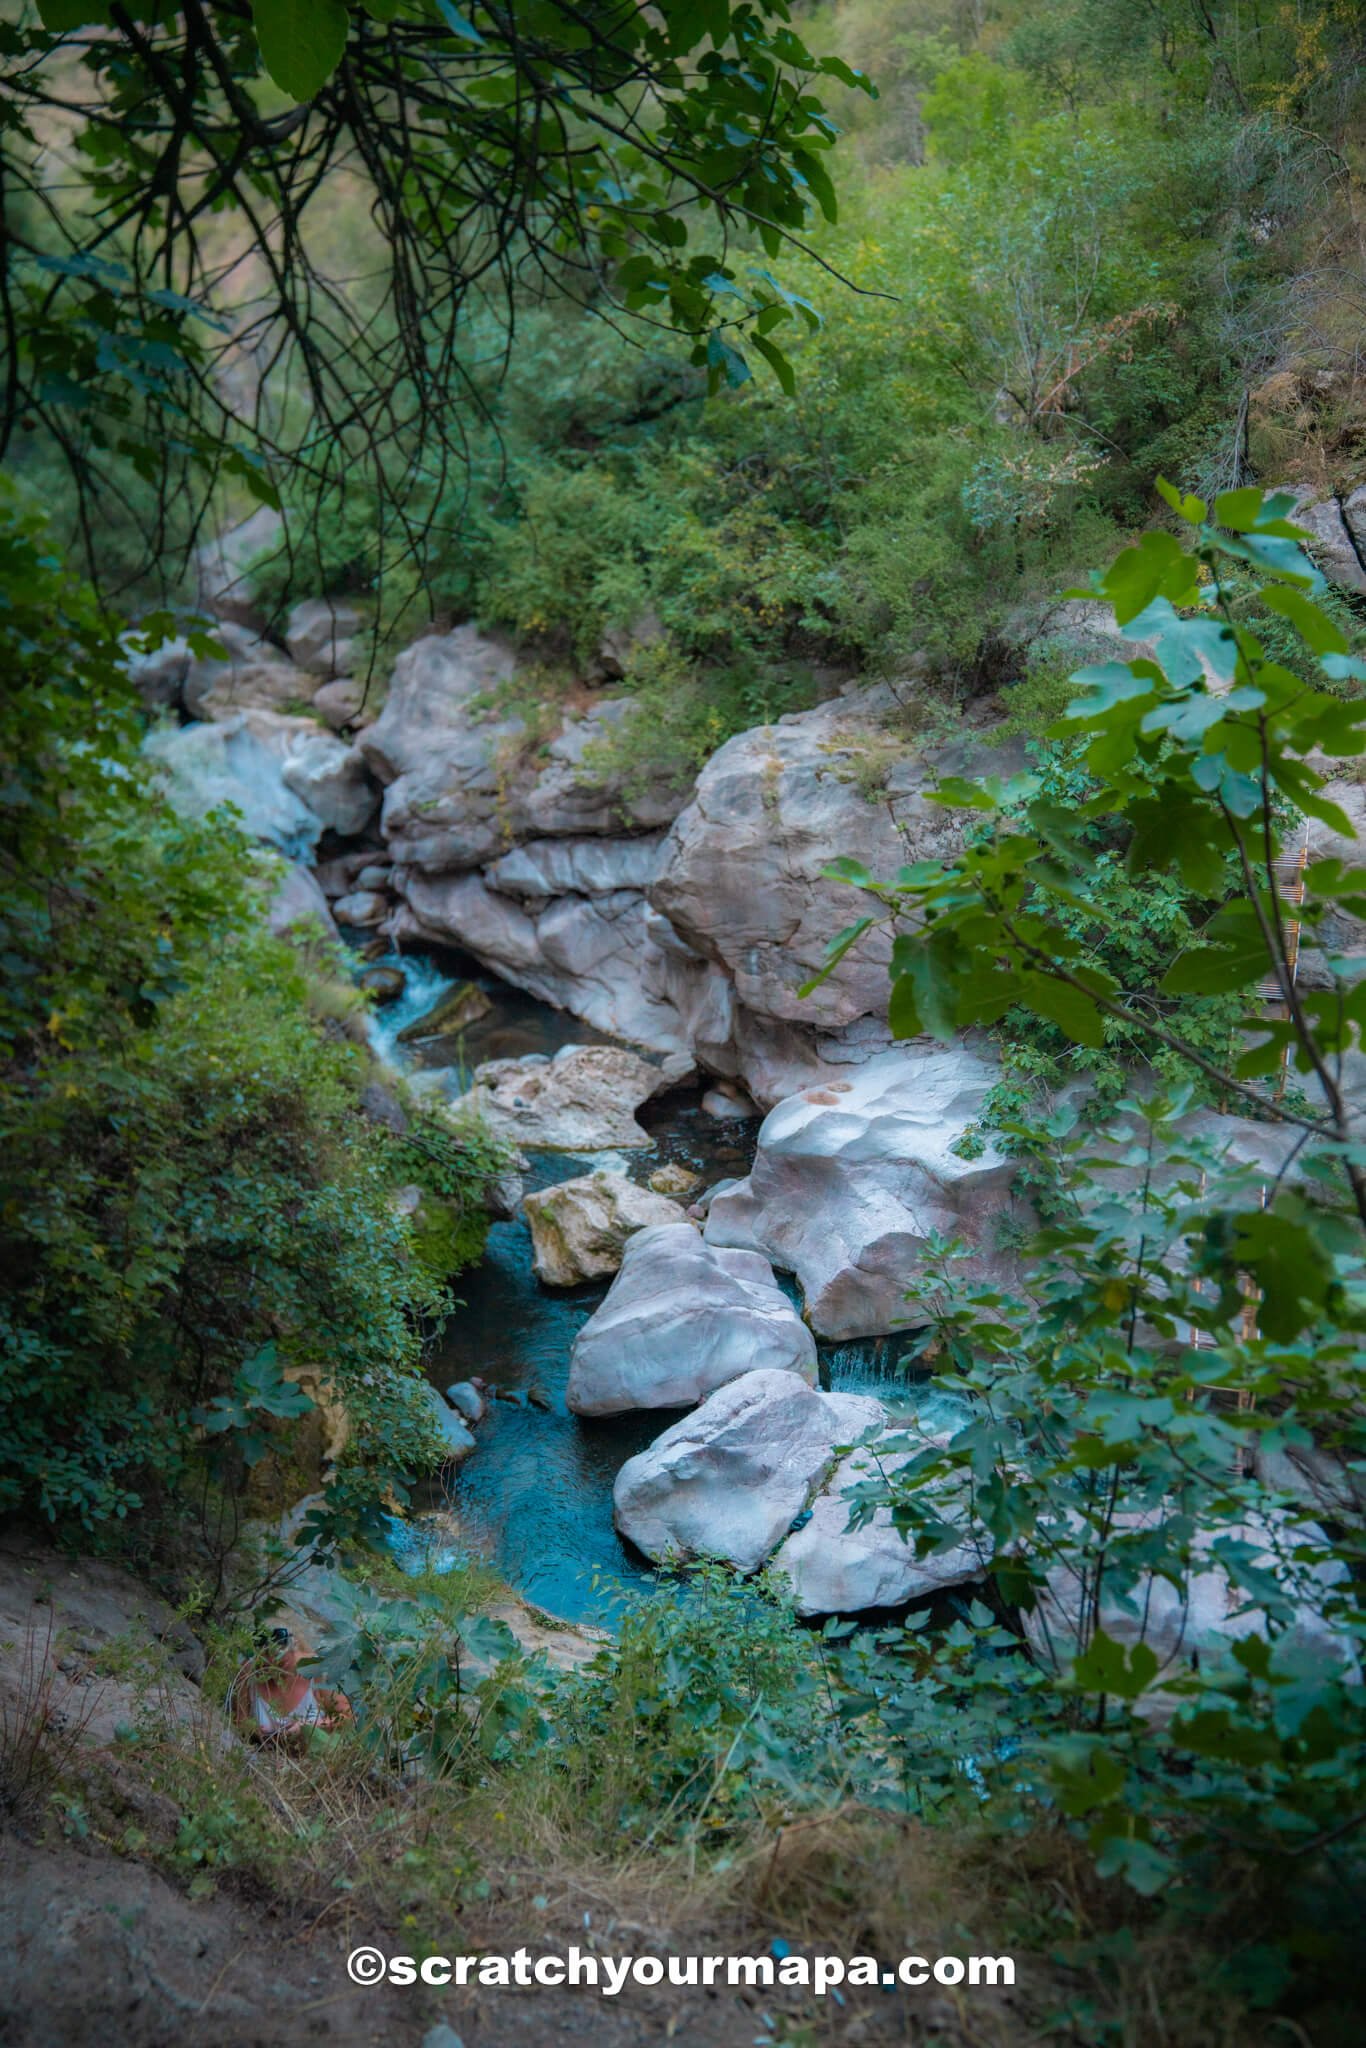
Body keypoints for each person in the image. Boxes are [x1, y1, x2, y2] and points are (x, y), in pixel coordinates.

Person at [229, 1624, 352, 1748]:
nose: (274, 1664)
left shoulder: (317, 1669)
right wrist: (253, 1730)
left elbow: (349, 1717)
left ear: (294, 1647)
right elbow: (240, 1722)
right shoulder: (248, 1672)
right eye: (267, 1663)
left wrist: (309, 1726)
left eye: (281, 1663)